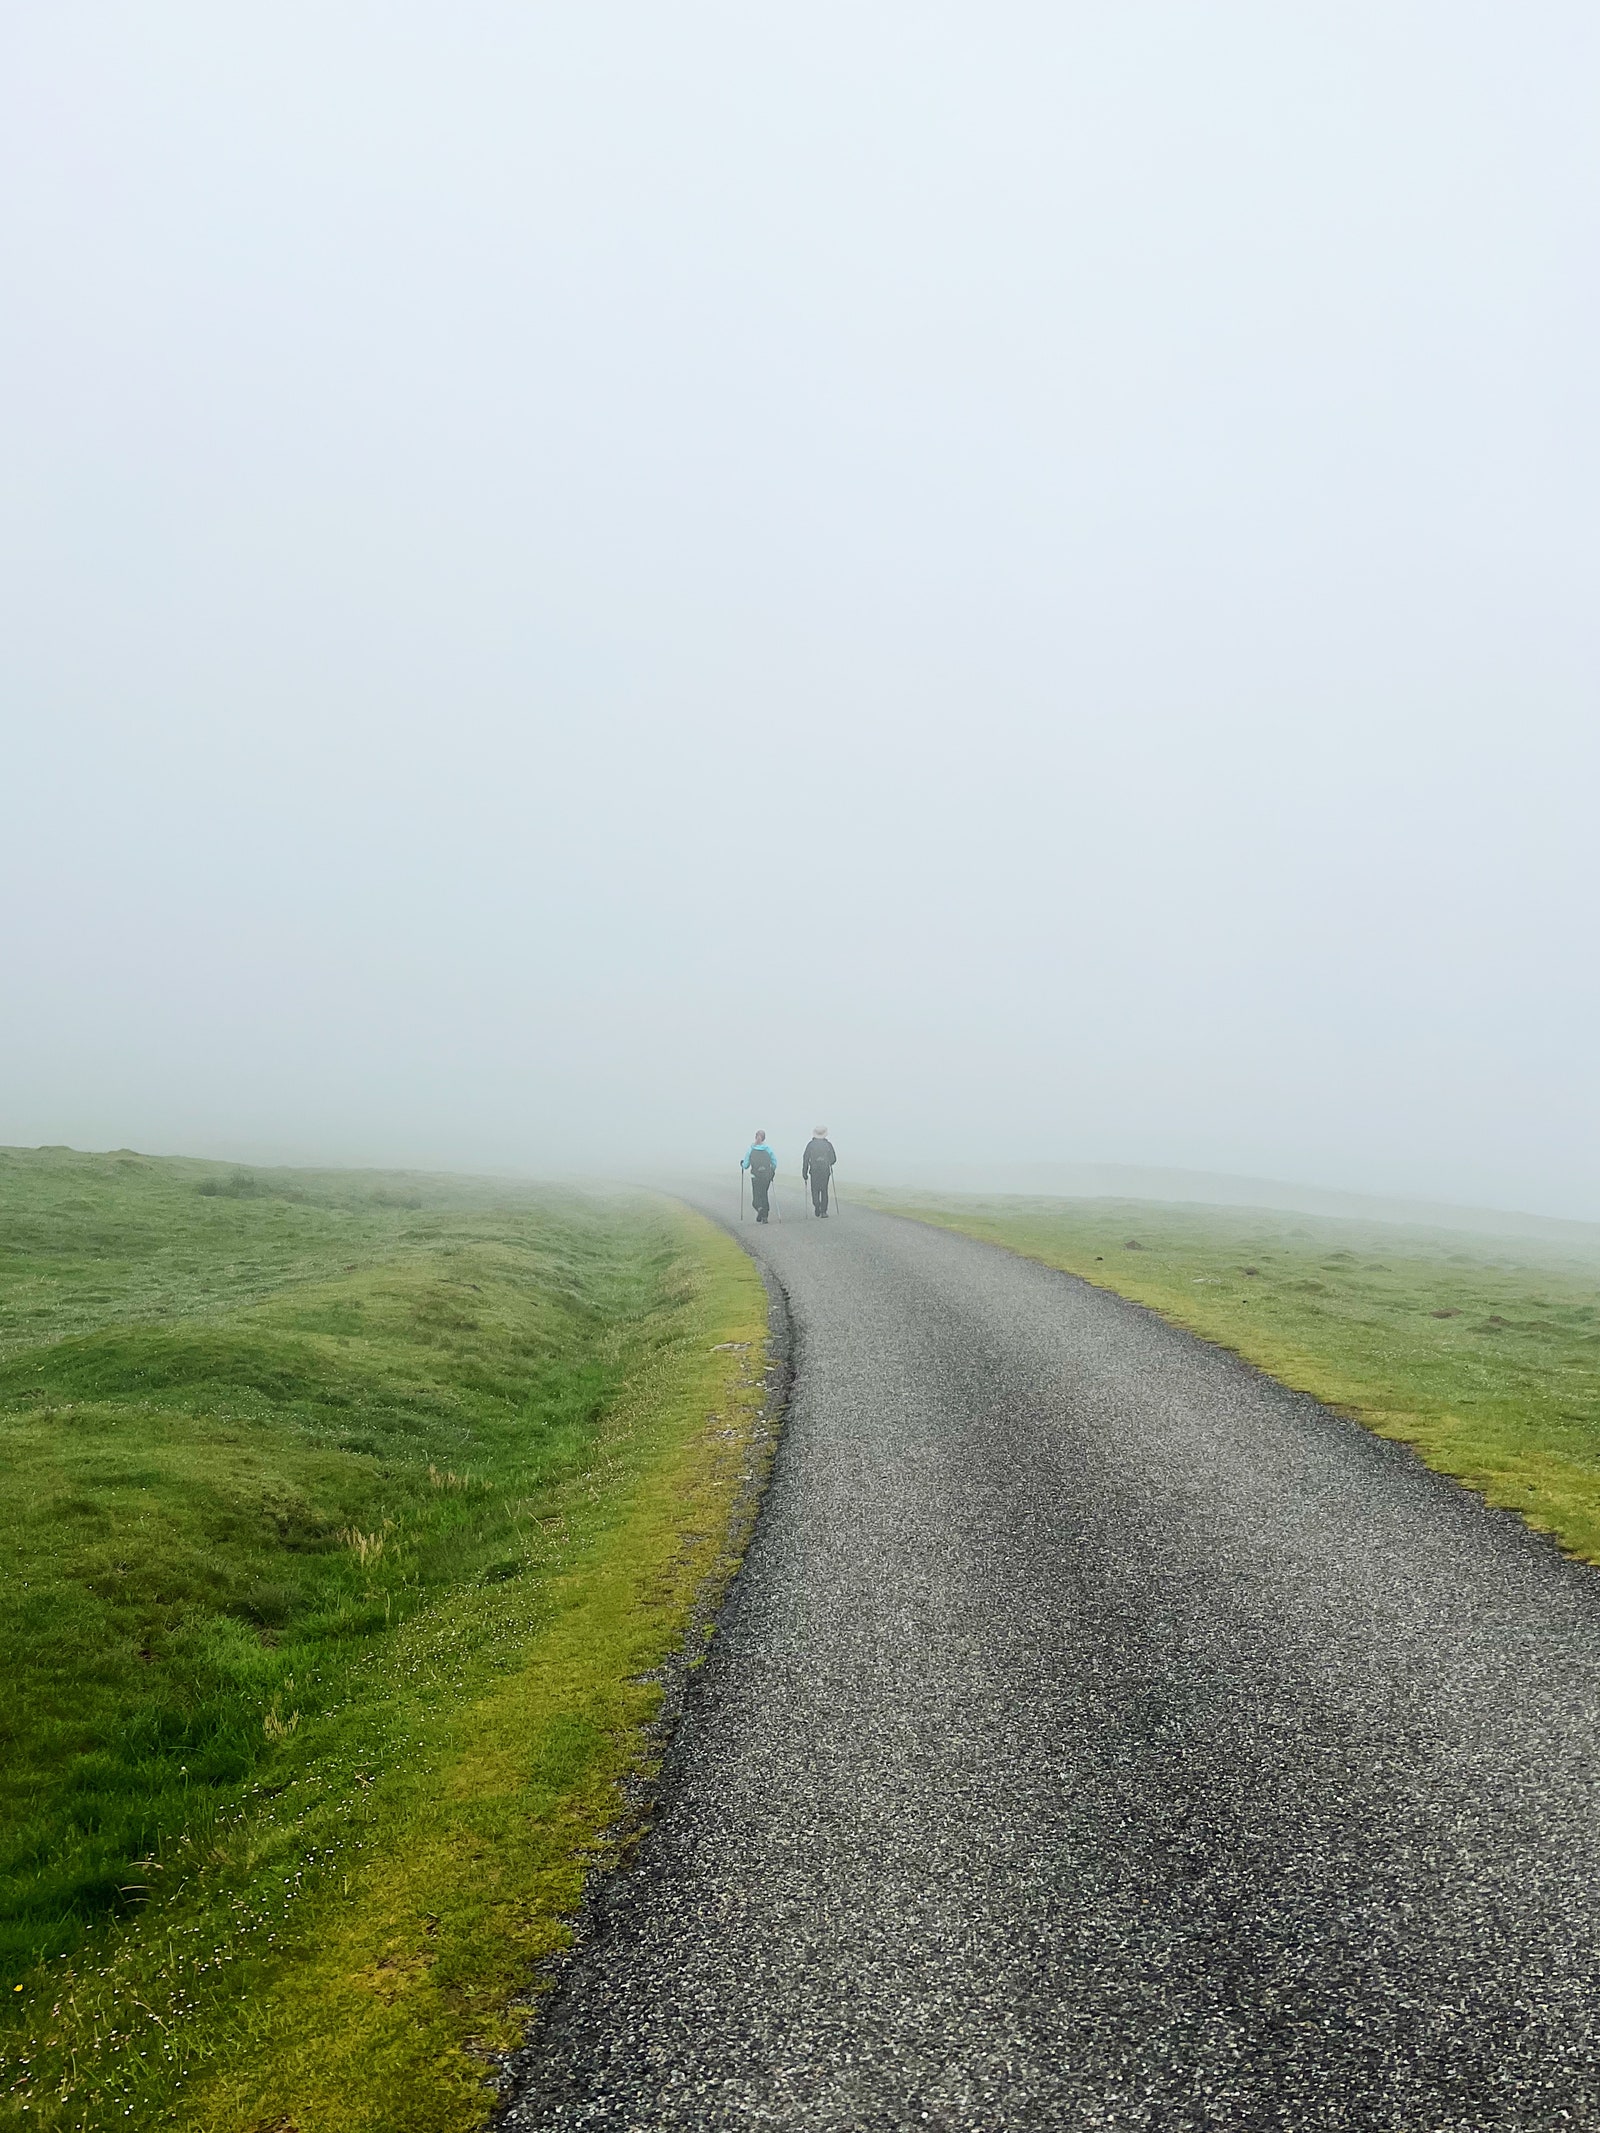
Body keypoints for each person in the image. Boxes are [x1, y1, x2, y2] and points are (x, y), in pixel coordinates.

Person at [741, 1131, 777, 1223]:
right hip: (766, 1175)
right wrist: (772, 1171)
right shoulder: (768, 1149)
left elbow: (745, 1165)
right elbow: (774, 1162)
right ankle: (765, 1216)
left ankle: (759, 1208)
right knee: (764, 1194)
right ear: (764, 1138)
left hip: (755, 1176)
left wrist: (742, 1164)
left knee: (756, 1196)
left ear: (755, 1137)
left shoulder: (751, 1149)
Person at [801, 1127, 837, 1217]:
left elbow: (805, 1158)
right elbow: (833, 1159)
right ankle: (823, 1211)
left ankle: (817, 1205)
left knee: (815, 1189)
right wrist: (829, 1162)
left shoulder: (810, 1145)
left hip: (814, 1170)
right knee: (824, 1190)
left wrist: (804, 1173)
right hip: (825, 1170)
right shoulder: (828, 1144)